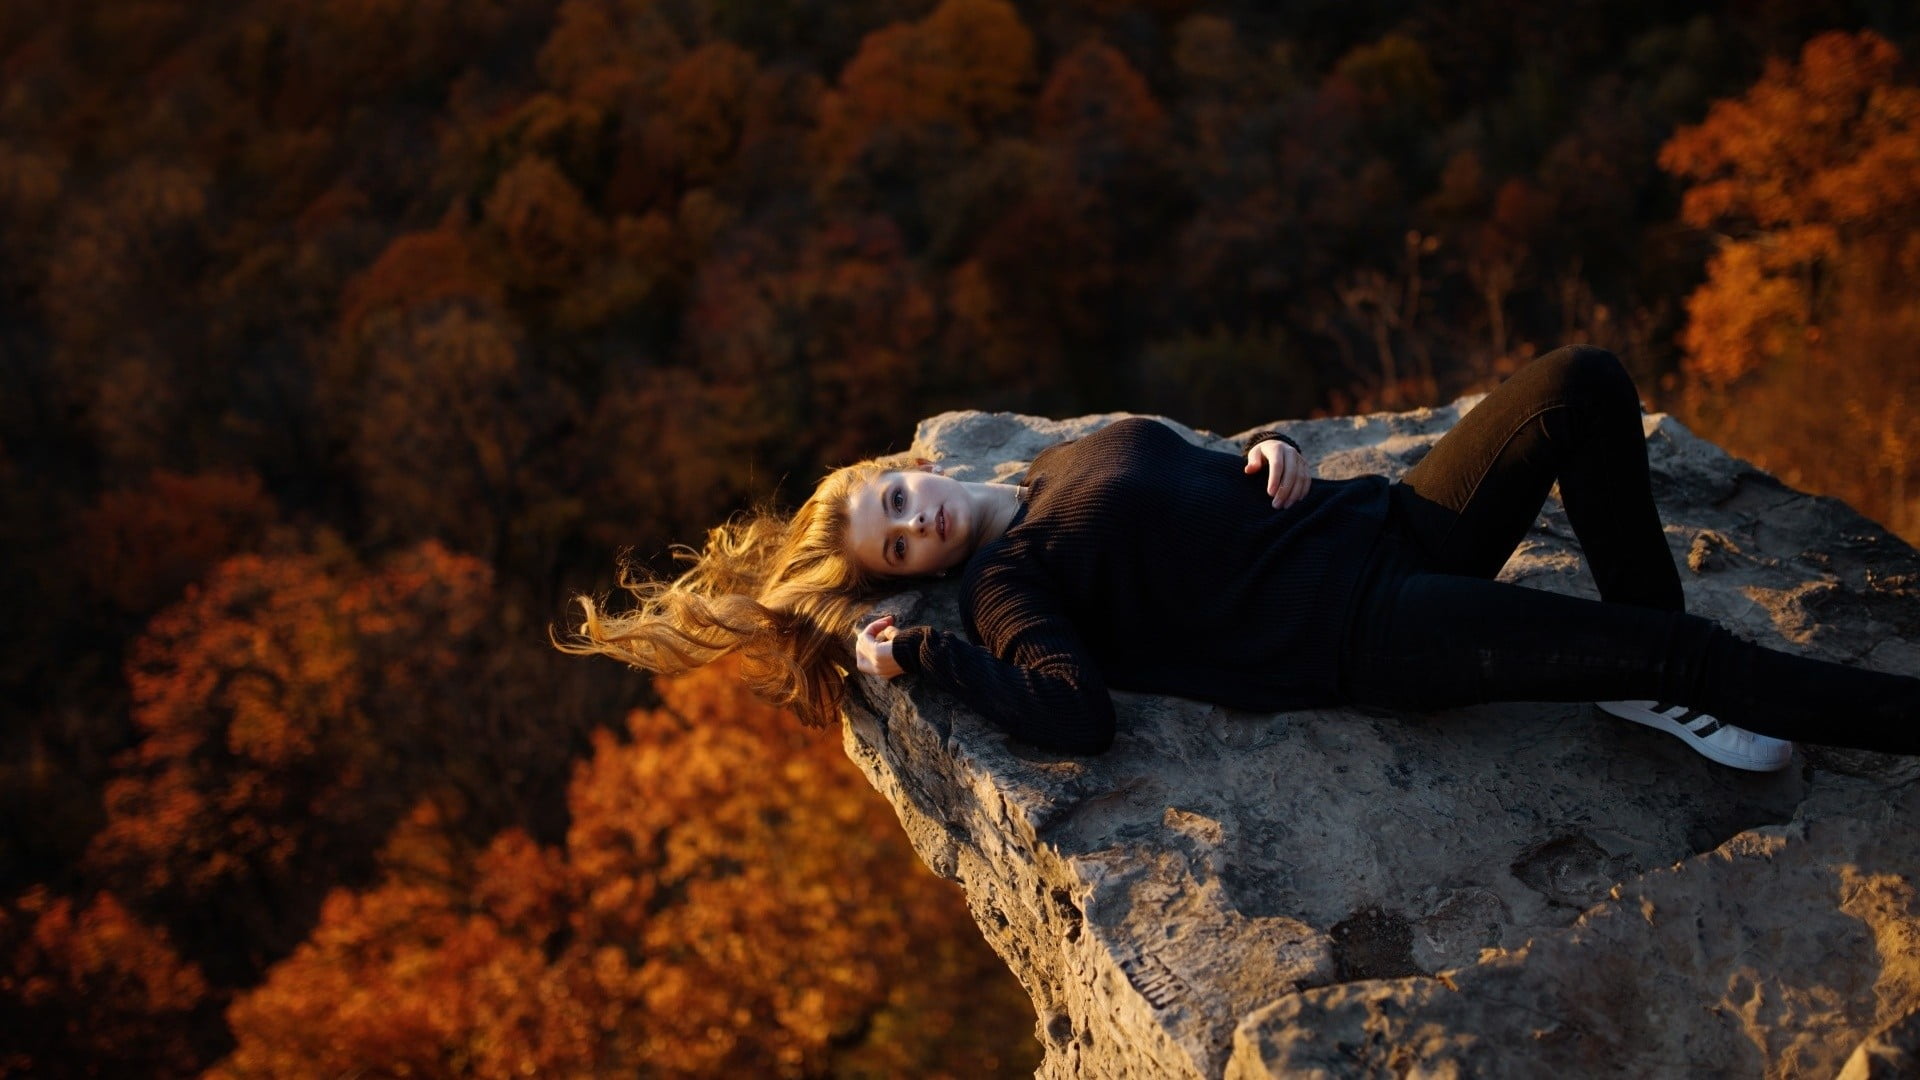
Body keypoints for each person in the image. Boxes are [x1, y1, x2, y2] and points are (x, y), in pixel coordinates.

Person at [557, 346, 1920, 768]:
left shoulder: (1048, 461)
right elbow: (1076, 717)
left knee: (1580, 384)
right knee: (1694, 655)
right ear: (911, 567)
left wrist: (1267, 446)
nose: (918, 523)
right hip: (1371, 632)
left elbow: (1189, 472)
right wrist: (923, 655)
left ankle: (1649, 680)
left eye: (895, 500)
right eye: (898, 546)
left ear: (903, 467)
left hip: (1391, 525)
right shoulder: (1008, 585)